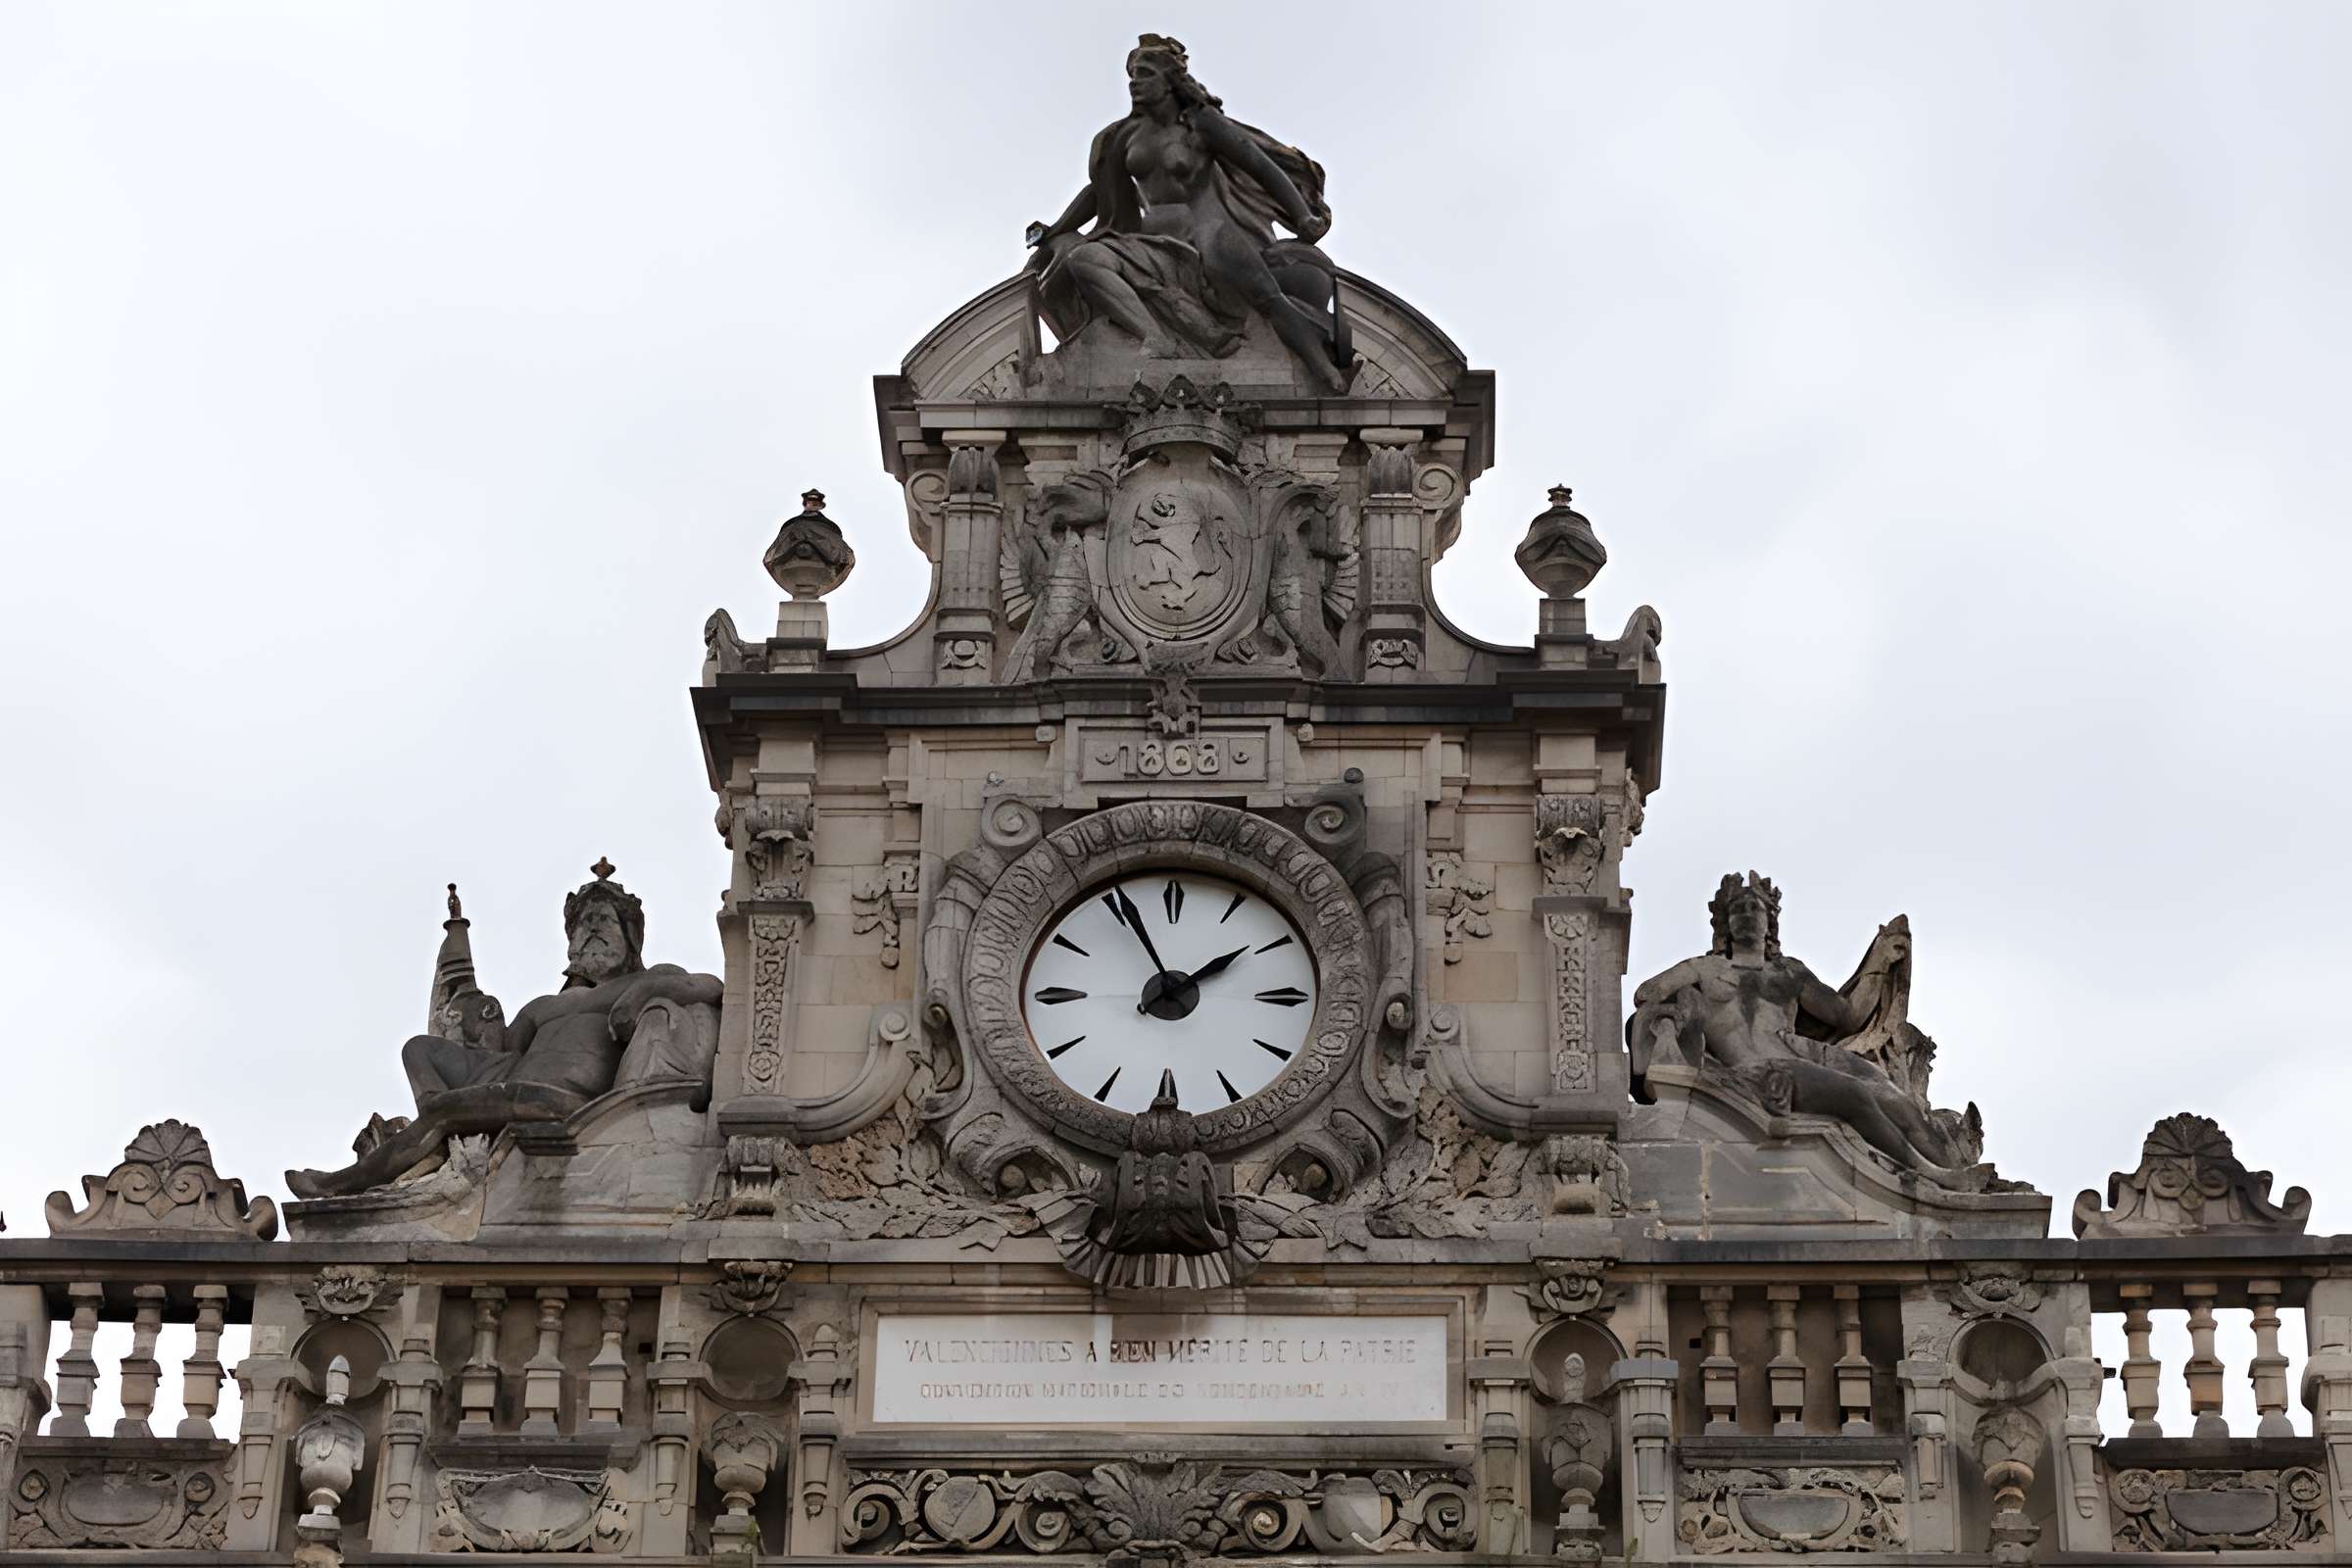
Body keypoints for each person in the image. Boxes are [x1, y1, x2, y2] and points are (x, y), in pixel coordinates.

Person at [1026, 34, 1354, 393]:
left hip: (1209, 231)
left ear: (1170, 82)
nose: (1135, 83)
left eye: (1146, 74)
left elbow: (1260, 166)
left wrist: (1303, 216)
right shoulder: (1123, 137)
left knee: (1268, 299)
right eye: (1133, 75)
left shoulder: (1201, 124)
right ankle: (1155, 337)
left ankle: (1320, 365)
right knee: (1083, 258)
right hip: (1148, 236)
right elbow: (1100, 195)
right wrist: (1055, 229)